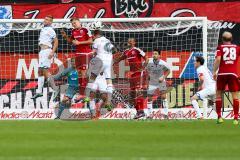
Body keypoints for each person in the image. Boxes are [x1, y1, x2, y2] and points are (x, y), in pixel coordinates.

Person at [114, 38, 148, 119]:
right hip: (132, 74)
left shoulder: (137, 50)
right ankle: (138, 112)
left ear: (134, 42)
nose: (129, 42)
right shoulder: (126, 51)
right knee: (132, 94)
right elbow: (120, 58)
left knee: (138, 91)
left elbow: (147, 59)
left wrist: (143, 67)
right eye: (128, 41)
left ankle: (141, 111)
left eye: (131, 41)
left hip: (139, 73)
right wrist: (114, 62)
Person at [86, 29, 116, 118]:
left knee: (92, 78)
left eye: (93, 36)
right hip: (108, 62)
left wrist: (91, 54)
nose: (93, 37)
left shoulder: (96, 40)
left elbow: (94, 52)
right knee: (109, 80)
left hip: (100, 62)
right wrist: (108, 54)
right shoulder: (108, 41)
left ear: (96, 35)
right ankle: (108, 102)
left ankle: (88, 96)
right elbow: (114, 50)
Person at [213, 31, 240, 125]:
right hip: (233, 74)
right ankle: (236, 118)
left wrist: (214, 71)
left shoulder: (220, 47)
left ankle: (220, 117)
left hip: (222, 74)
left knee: (218, 94)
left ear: (222, 39)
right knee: (235, 96)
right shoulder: (237, 48)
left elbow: (218, 59)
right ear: (231, 39)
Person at [61, 17, 92, 95]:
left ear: (79, 21)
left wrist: (79, 43)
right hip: (78, 53)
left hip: (85, 53)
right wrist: (65, 36)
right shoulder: (73, 31)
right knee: (79, 73)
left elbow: (91, 41)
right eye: (72, 24)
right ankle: (81, 91)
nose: (73, 25)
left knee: (84, 73)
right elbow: (71, 42)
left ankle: (83, 93)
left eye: (75, 23)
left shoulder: (86, 30)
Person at [32, 15, 59, 100]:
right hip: (42, 51)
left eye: (48, 20)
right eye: (45, 19)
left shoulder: (51, 30)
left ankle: (55, 89)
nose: (45, 20)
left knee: (45, 71)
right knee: (40, 71)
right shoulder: (43, 29)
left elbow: (56, 41)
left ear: (51, 22)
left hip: (46, 51)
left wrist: (52, 52)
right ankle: (39, 92)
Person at [146, 49, 170, 119]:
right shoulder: (149, 62)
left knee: (163, 97)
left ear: (159, 55)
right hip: (152, 82)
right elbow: (146, 71)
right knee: (149, 98)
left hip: (161, 81)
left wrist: (163, 77)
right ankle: (149, 115)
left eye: (156, 54)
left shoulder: (163, 63)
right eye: (153, 54)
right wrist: (147, 81)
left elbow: (168, 70)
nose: (154, 55)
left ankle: (166, 114)